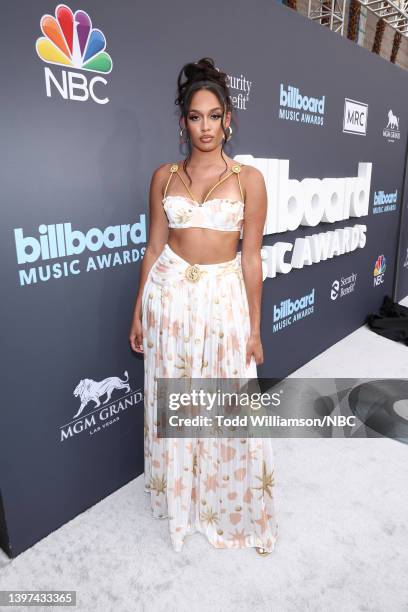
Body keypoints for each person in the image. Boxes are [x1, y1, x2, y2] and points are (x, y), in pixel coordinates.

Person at [129, 57, 278, 555]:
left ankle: (223, 502)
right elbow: (153, 248)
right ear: (182, 122)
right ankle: (179, 498)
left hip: (222, 298)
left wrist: (255, 329)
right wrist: (137, 311)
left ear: (228, 118)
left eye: (214, 116)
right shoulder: (163, 177)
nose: (205, 127)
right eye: (196, 117)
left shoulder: (249, 179)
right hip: (169, 298)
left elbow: (251, 258)